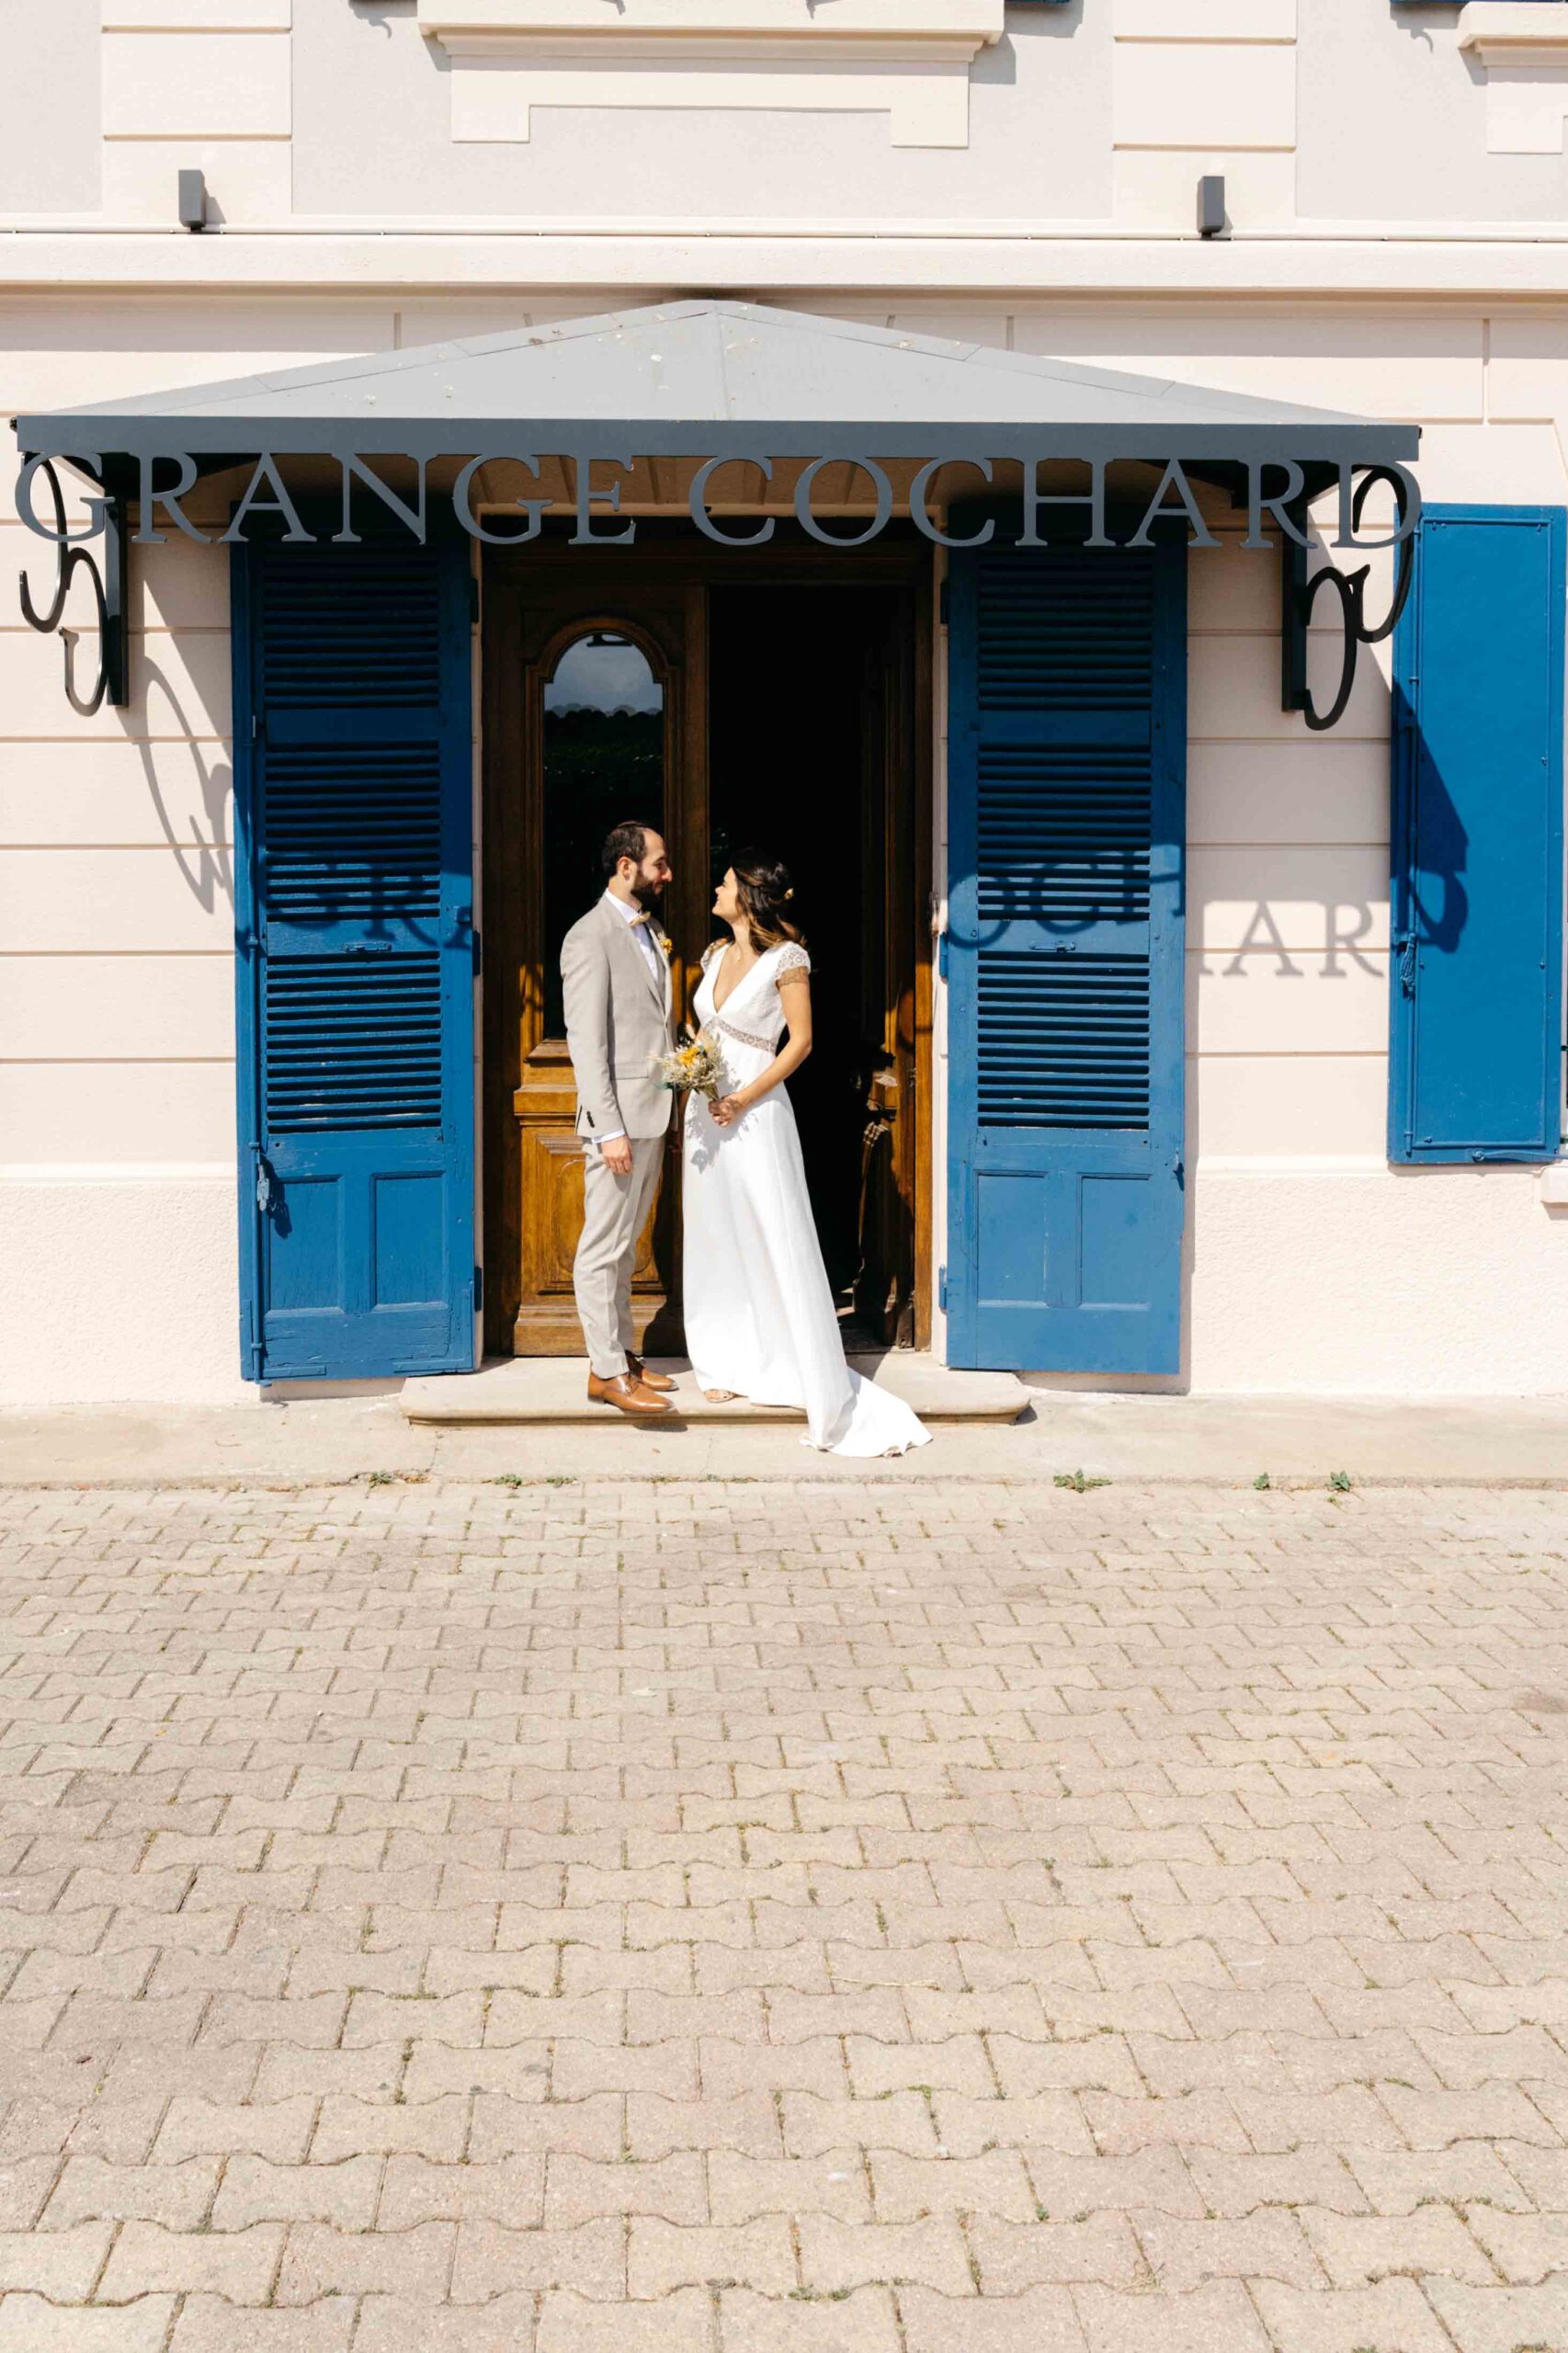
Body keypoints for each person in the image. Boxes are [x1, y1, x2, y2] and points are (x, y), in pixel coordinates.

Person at [682, 851, 931, 1458]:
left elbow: (801, 1042)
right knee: (715, 1231)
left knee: (772, 1228)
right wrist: (696, 1070)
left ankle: (788, 1360)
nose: (715, 887)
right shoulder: (714, 955)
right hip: (704, 1110)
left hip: (756, 1110)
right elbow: (701, 1028)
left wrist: (742, 1095)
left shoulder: (788, 959)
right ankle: (723, 1358)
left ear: (749, 896)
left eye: (726, 882)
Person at [561, 820, 678, 1419]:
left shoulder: (651, 930)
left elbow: (653, 1025)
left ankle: (623, 1357)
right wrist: (607, 1128)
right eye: (659, 862)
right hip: (618, 1124)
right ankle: (604, 1372)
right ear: (627, 865)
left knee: (626, 1250)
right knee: (601, 1248)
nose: (668, 873)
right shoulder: (588, 936)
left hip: (653, 1112)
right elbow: (587, 1043)